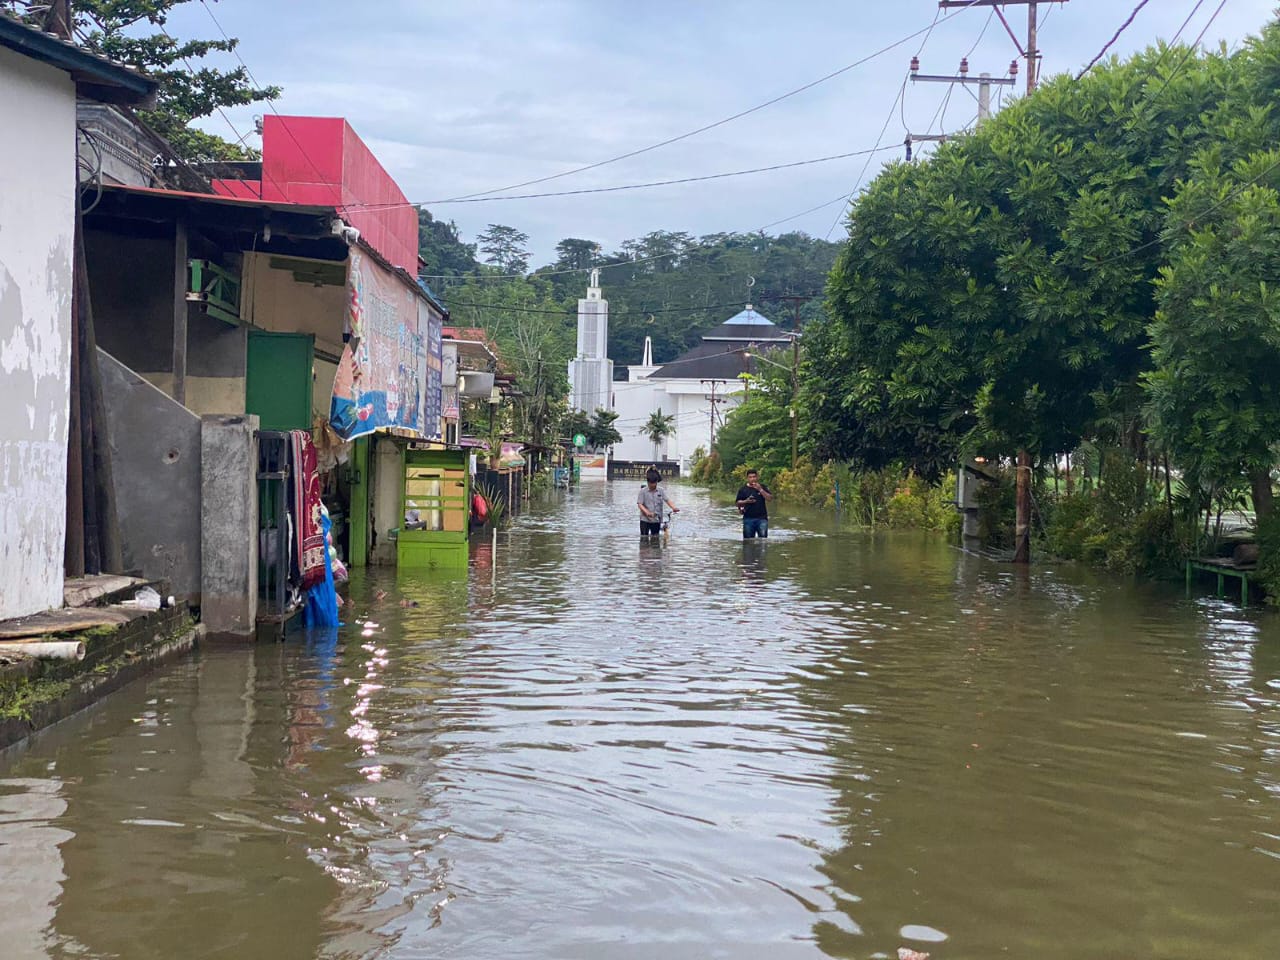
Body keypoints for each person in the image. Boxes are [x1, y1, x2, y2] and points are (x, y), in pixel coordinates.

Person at [637, 468, 679, 536]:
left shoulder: (661, 490)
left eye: (655, 483)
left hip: (656, 519)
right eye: (651, 484)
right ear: (648, 482)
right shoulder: (643, 491)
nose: (653, 485)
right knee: (644, 539)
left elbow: (667, 500)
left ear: (657, 482)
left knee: (655, 539)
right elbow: (640, 504)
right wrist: (647, 512)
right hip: (644, 520)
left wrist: (673, 507)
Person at [736, 469, 773, 539]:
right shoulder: (743, 489)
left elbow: (770, 499)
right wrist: (746, 501)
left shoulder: (763, 487)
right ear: (747, 478)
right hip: (748, 518)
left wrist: (760, 490)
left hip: (762, 519)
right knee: (748, 542)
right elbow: (738, 503)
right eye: (750, 477)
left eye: (754, 477)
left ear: (757, 477)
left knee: (763, 542)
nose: (752, 479)